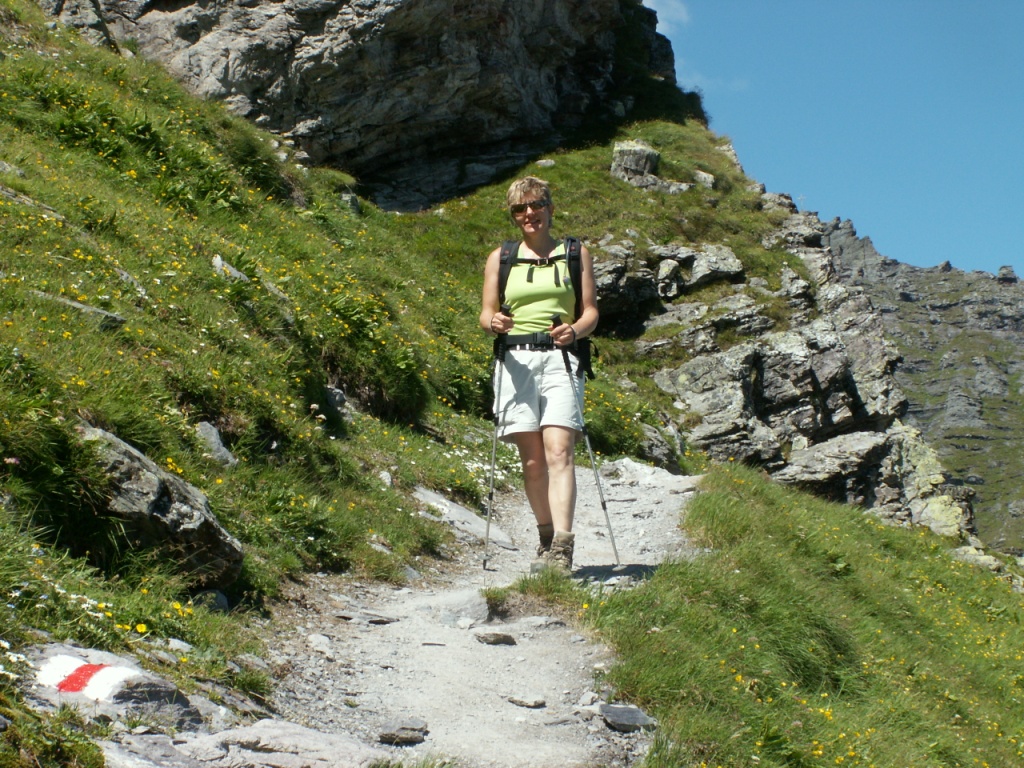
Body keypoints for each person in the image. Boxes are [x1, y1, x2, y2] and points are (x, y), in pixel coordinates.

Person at [479, 176, 599, 572]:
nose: (529, 214)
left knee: (560, 451)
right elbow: (486, 312)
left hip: (562, 360)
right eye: (520, 209)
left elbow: (590, 313)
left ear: (550, 207)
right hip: (514, 362)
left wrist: (575, 330)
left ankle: (562, 548)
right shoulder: (501, 258)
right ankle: (545, 535)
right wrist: (493, 322)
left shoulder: (577, 253)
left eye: (536, 205)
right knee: (532, 461)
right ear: (514, 216)